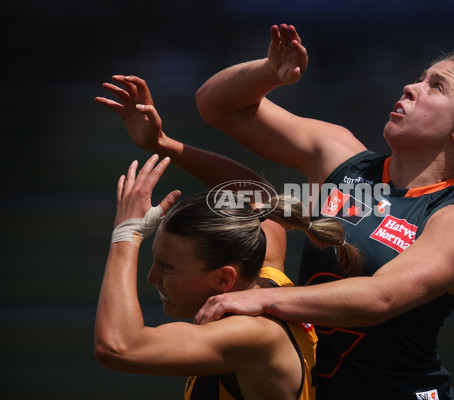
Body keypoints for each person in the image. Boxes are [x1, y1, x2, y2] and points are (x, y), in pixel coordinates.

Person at [189, 24, 454, 399]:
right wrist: (268, 71)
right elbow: (215, 105)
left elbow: (381, 297)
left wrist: (261, 298)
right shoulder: (342, 159)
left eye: (435, 86)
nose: (411, 88)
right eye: (419, 79)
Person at [94, 79, 361, 399]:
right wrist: (161, 143)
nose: (152, 278)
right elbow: (260, 196)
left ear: (224, 278)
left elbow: (118, 347)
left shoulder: (252, 334)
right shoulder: (265, 274)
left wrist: (126, 234)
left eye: (166, 268)